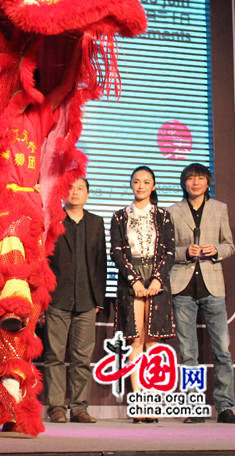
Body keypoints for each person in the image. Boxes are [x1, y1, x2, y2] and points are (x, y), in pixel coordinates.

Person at [168, 163, 235, 424]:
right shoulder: (172, 212)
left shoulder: (219, 208)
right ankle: (193, 406)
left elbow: (230, 245)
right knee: (188, 352)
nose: (195, 182)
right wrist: (185, 252)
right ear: (184, 183)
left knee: (222, 349)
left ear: (208, 183)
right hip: (182, 286)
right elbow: (167, 250)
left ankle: (225, 407)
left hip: (213, 285)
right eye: (190, 178)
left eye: (200, 178)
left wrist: (216, 250)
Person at [110, 166, 175, 423]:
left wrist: (158, 278)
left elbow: (170, 251)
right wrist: (133, 279)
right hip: (131, 281)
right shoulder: (118, 216)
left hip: (157, 280)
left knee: (153, 342)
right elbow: (116, 252)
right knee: (135, 341)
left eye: (146, 182)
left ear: (154, 186)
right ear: (131, 185)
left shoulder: (164, 216)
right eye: (136, 182)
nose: (141, 186)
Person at [44, 177, 106, 423]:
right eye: (70, 188)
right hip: (57, 298)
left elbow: (101, 262)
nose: (75, 192)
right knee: (55, 356)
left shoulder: (96, 222)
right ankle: (56, 407)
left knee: (82, 357)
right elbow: (45, 258)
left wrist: (98, 298)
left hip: (87, 300)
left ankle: (80, 407)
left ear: (88, 194)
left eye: (81, 188)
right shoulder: (52, 219)